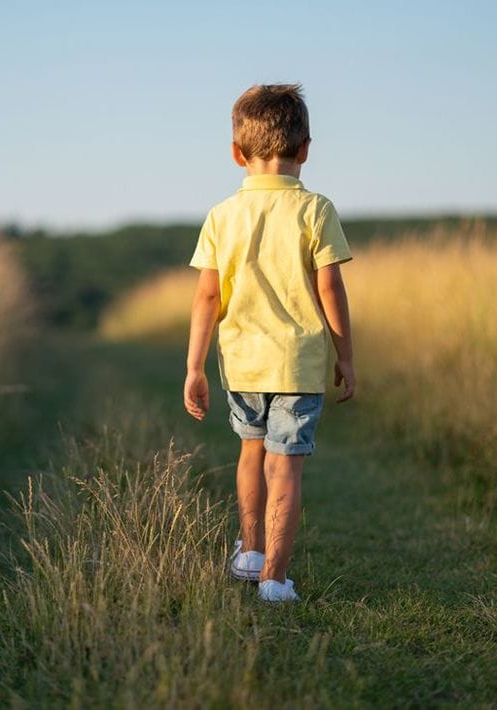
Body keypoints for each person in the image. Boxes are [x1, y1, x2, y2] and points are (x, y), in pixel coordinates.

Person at [183, 83, 356, 603]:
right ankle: (275, 581)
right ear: (305, 149)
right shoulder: (316, 210)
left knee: (250, 455)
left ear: (237, 154)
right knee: (287, 466)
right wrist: (345, 355)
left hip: (241, 364)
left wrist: (194, 368)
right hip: (299, 365)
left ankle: (252, 550)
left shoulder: (221, 215)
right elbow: (330, 287)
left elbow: (207, 297)